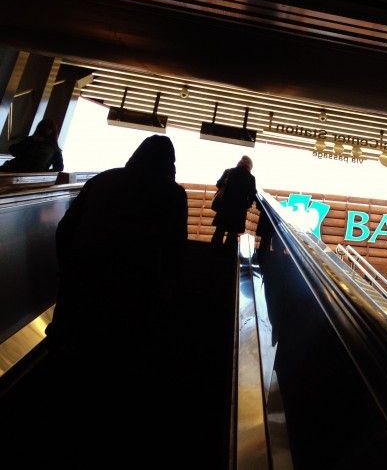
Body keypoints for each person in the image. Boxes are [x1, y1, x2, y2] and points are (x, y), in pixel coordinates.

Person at [44, 135, 188, 465]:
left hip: (81, 291)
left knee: (72, 365)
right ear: (170, 164)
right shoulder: (172, 195)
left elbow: (65, 230)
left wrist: (69, 269)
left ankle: (56, 433)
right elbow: (174, 252)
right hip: (134, 300)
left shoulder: (103, 180)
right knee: (114, 378)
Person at [211, 155, 256, 252]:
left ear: (239, 162)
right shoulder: (251, 178)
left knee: (219, 231)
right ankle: (228, 259)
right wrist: (245, 206)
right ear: (249, 166)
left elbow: (218, 184)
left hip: (224, 208)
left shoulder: (229, 171)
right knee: (232, 234)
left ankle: (213, 253)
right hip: (238, 211)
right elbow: (252, 195)